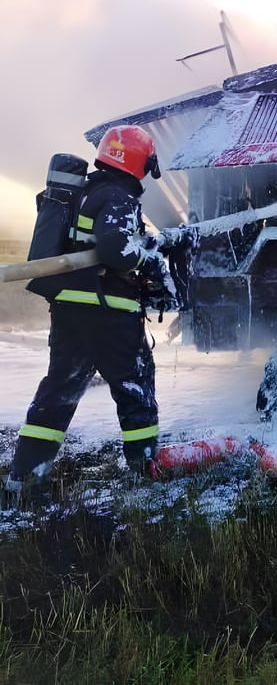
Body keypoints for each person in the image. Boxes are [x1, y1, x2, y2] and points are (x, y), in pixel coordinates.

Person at [3, 125, 186, 505]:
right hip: (109, 314)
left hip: (71, 312)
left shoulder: (85, 192)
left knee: (59, 391)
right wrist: (149, 260)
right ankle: (144, 472)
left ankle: (25, 478)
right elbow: (118, 252)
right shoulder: (117, 196)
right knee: (134, 389)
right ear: (139, 162)